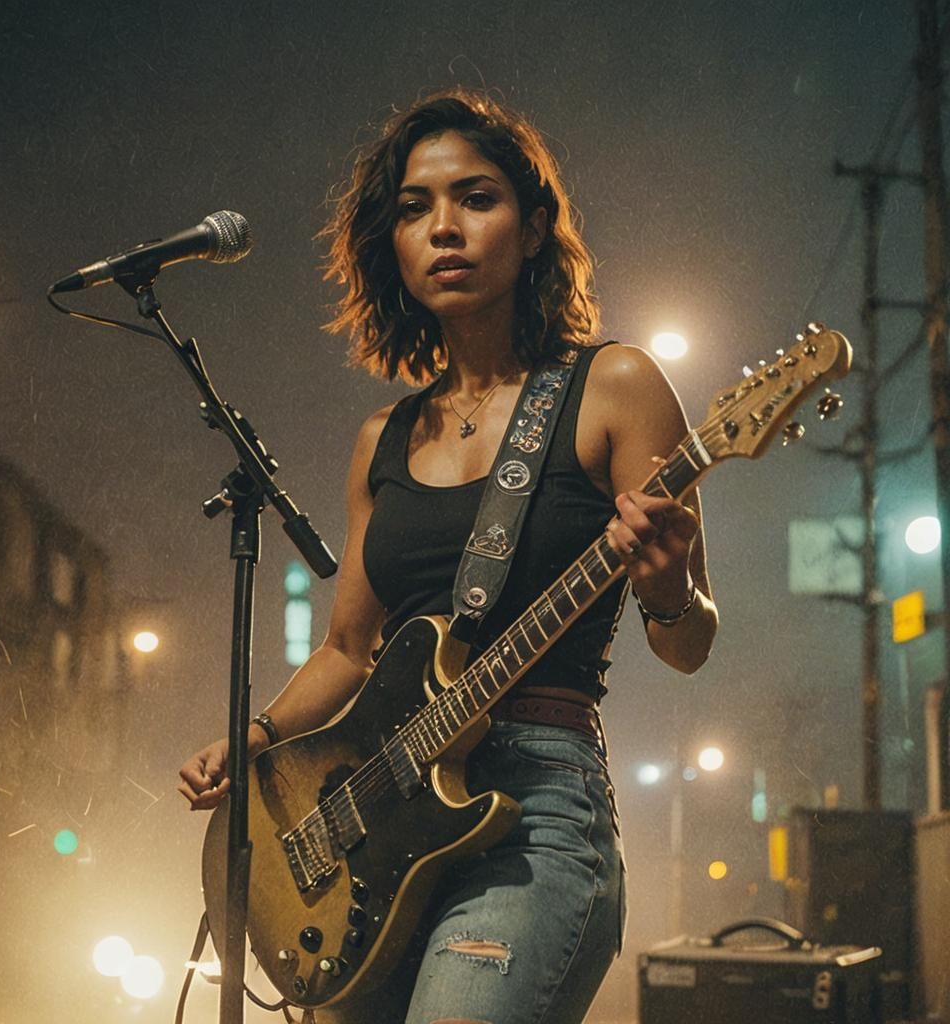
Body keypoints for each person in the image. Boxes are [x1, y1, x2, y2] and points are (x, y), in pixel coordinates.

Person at [178, 89, 718, 1024]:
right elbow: (348, 651)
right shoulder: (381, 439)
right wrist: (256, 738)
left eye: (476, 198)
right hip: (380, 826)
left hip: (533, 811)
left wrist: (668, 587)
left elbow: (689, 644)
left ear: (534, 227)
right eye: (414, 208)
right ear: (390, 244)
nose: (444, 228)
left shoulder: (615, 385)